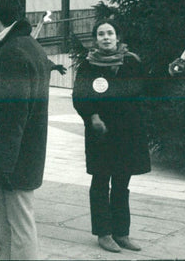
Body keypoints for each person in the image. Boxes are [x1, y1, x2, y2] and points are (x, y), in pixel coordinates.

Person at [0, 0, 50, 260]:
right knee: (7, 222)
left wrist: (4, 163)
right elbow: (12, 96)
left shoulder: (13, 52)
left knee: (20, 225)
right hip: (23, 152)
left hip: (16, 156)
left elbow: (14, 114)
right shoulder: (25, 45)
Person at [72, 19, 149, 253]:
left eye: (110, 33)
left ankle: (121, 233)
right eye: (101, 34)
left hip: (127, 134)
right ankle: (104, 234)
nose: (106, 37)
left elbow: (146, 90)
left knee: (122, 184)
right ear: (96, 39)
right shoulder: (88, 66)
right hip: (101, 135)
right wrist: (92, 116)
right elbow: (80, 97)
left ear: (118, 37)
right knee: (100, 182)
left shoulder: (132, 62)